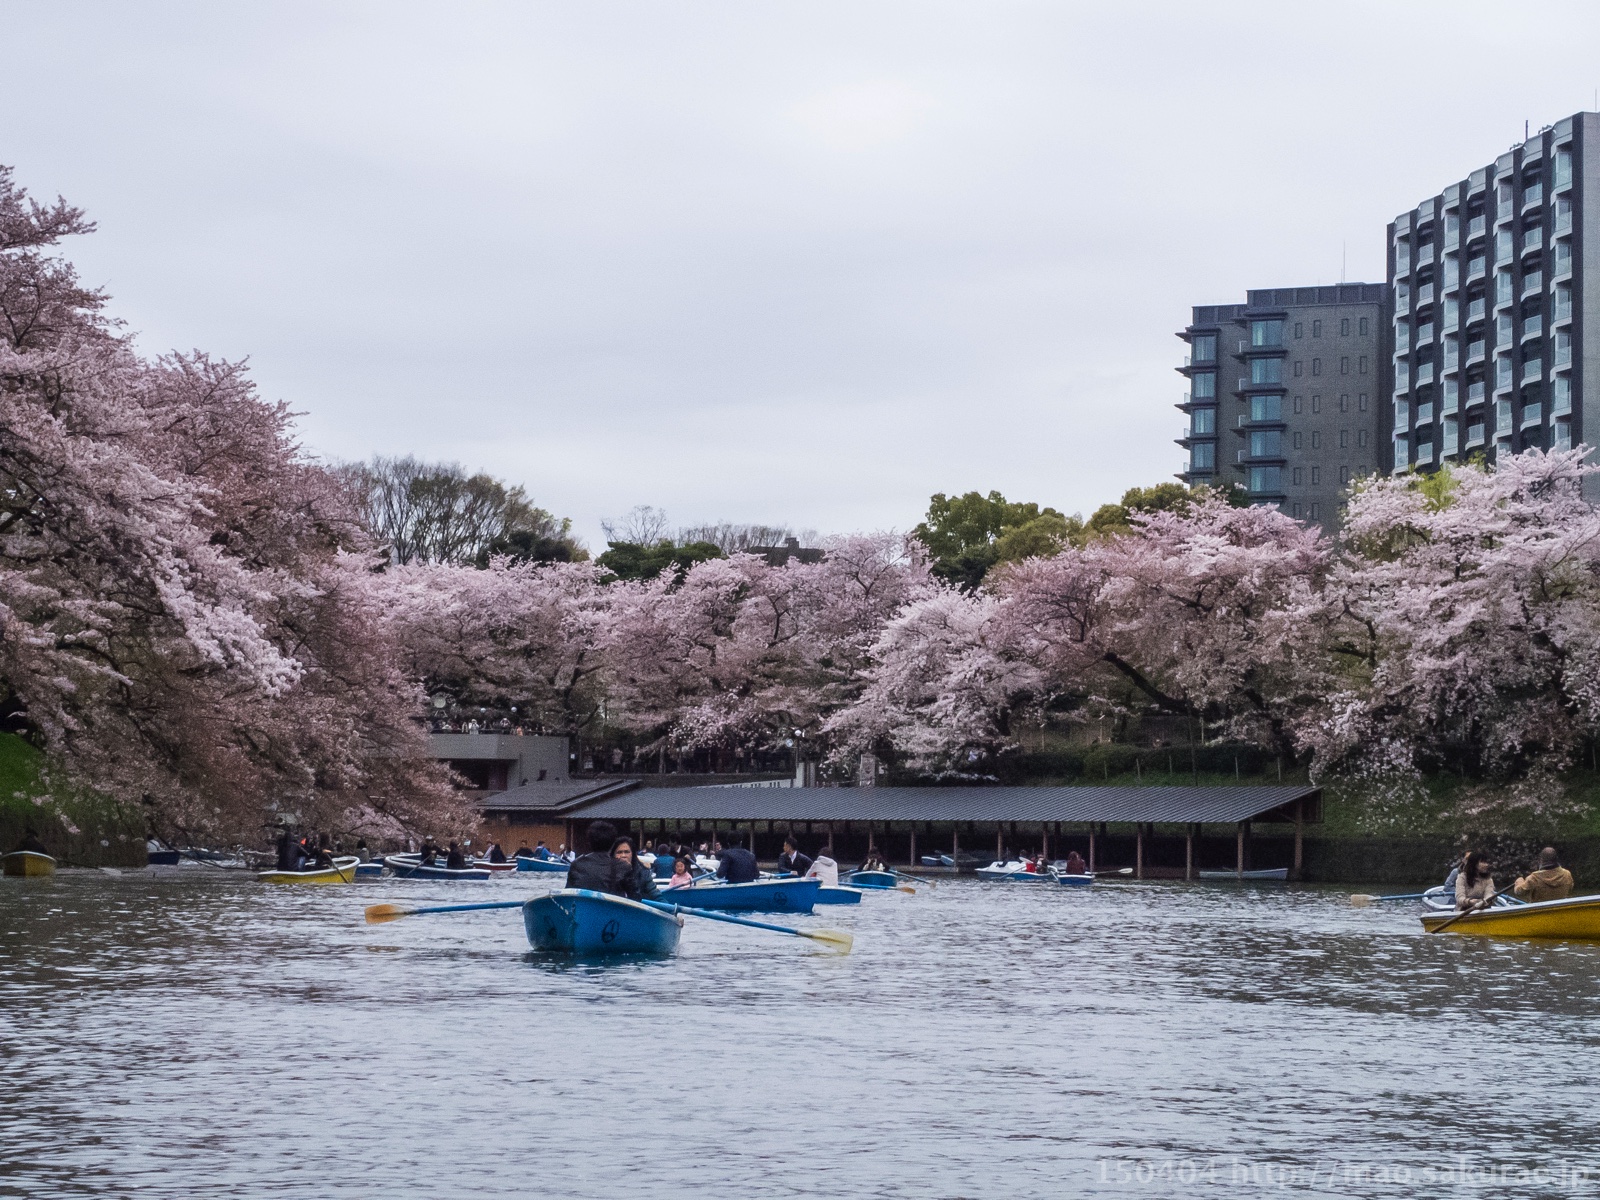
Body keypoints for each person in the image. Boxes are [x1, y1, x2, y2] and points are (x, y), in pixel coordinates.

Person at [567, 821, 626, 894]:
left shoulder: (576, 864)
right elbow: (635, 897)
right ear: (613, 843)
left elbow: (568, 892)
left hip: (583, 903)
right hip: (612, 904)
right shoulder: (623, 866)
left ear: (589, 842)